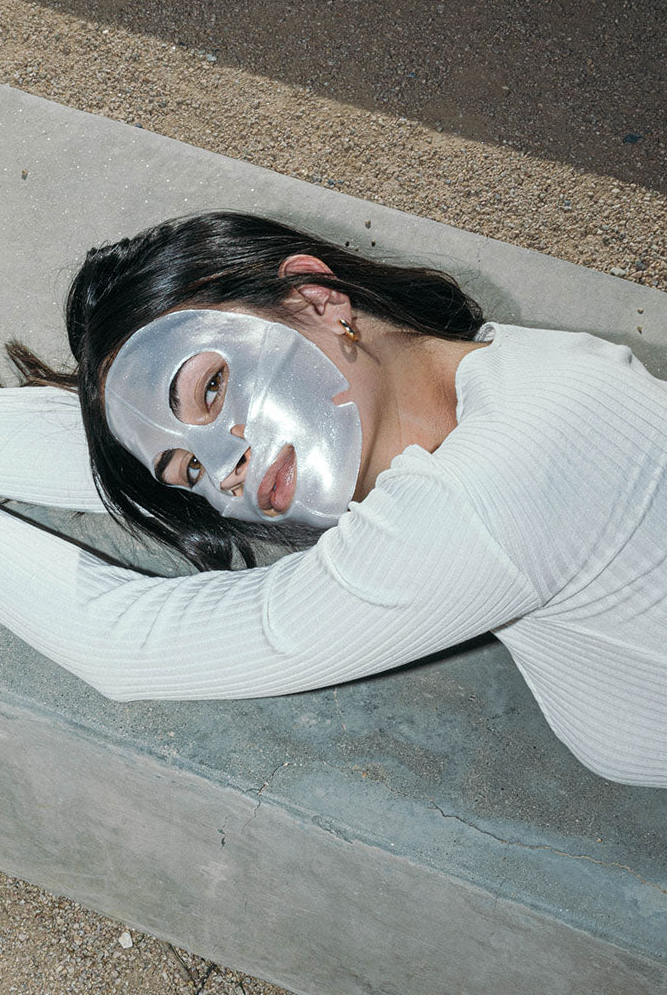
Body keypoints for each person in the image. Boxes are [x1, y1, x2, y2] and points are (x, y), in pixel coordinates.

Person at [0, 211, 666, 788]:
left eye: (212, 386)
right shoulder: (481, 376)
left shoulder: (479, 499)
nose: (226, 474)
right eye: (191, 468)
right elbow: (137, 443)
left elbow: (121, 645)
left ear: (315, 297)